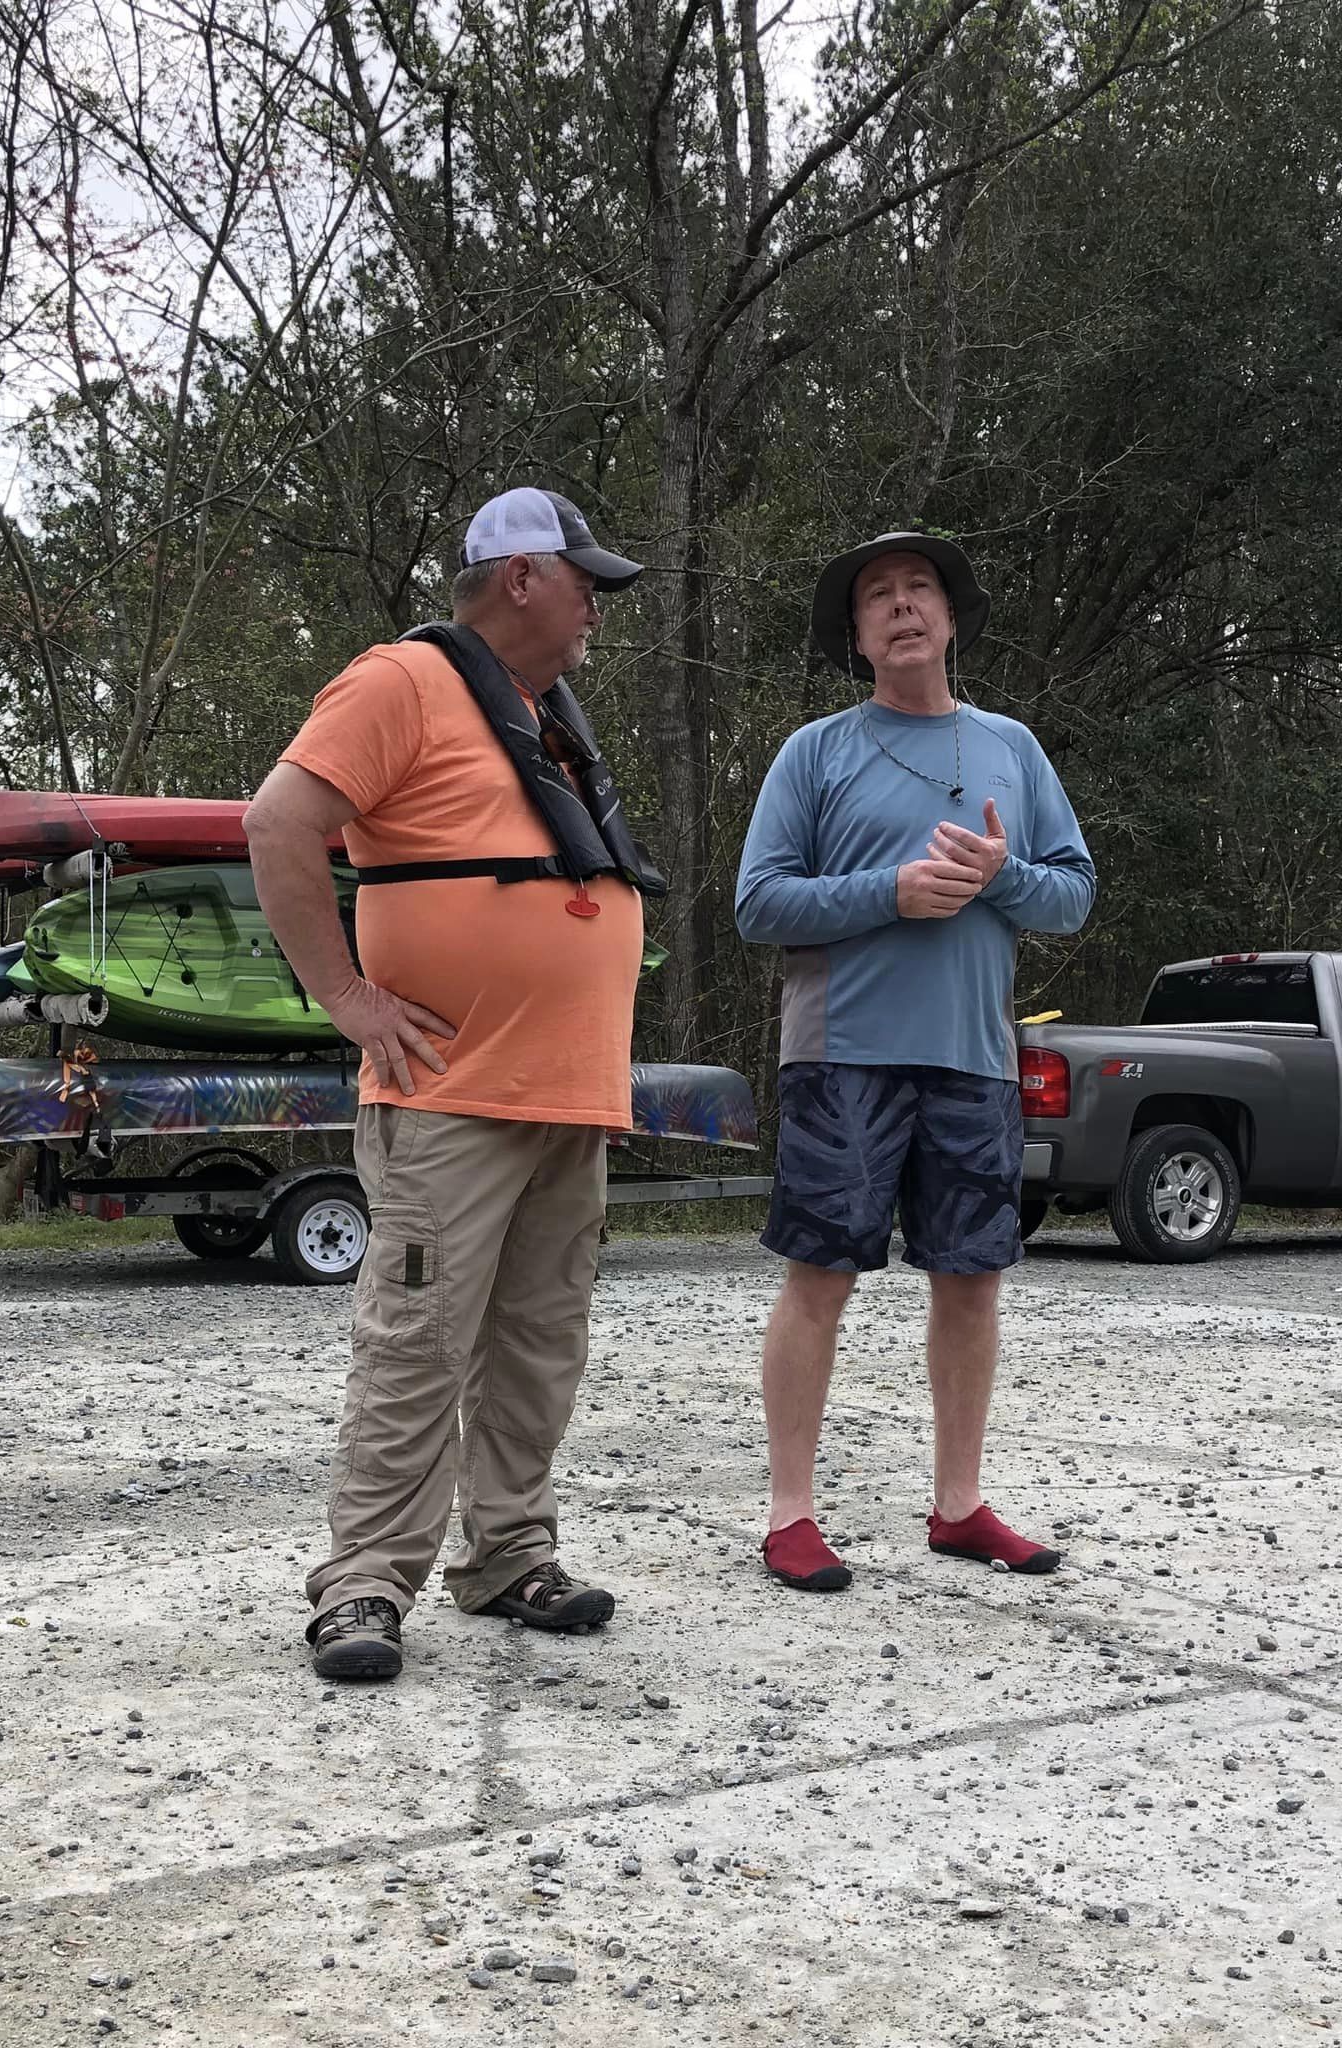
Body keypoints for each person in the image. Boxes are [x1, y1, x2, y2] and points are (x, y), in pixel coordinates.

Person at [246, 487, 664, 1681]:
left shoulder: (542, 718)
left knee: (539, 1343)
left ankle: (508, 1554)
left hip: (567, 1098)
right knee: (417, 1340)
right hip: (450, 1091)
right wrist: (349, 998)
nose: (596, 604)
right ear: (521, 575)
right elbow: (280, 823)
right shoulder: (402, 681)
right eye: (585, 578)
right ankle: (367, 1580)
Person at [735, 530, 1095, 1592]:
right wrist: (885, 892)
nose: (901, 605)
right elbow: (759, 902)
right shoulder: (815, 752)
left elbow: (1072, 893)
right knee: (820, 1277)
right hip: (842, 1054)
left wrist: (999, 875)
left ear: (950, 615)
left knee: (972, 1283)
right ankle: (791, 1513)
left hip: (975, 1057)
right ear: (855, 633)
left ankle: (960, 1506)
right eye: (878, 595)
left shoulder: (1012, 747)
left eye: (919, 588)